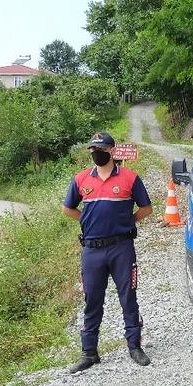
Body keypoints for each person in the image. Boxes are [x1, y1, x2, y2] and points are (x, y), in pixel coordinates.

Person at [62, 132, 154, 372]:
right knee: (92, 300)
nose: (96, 153)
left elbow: (146, 208)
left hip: (121, 248)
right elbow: (67, 208)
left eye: (101, 149)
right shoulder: (81, 179)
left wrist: (128, 222)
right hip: (92, 251)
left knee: (128, 298)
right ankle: (89, 352)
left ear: (112, 151)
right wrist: (86, 221)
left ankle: (134, 346)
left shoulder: (130, 178)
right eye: (93, 149)